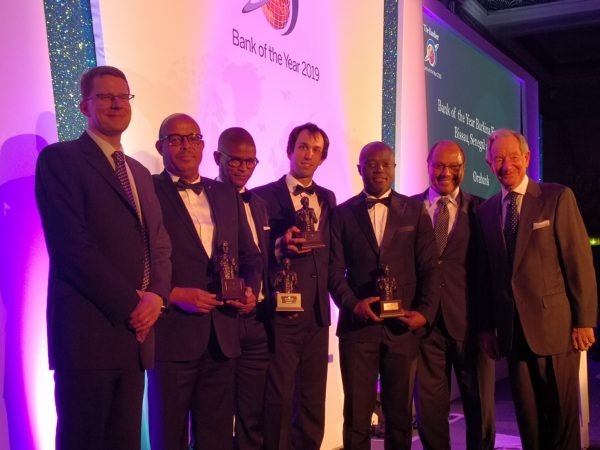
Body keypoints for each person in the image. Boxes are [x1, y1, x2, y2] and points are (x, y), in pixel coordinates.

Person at [35, 65, 172, 450]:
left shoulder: (140, 173)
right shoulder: (60, 160)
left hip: (135, 339)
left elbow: (159, 244)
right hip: (88, 337)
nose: (116, 103)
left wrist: (157, 297)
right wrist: (134, 304)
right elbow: (71, 247)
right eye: (106, 96)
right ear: (84, 106)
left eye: (123, 96)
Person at [477, 128, 598, 450]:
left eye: (513, 157)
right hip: (513, 335)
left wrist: (585, 321)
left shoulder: (556, 197)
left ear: (527, 158)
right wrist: (488, 328)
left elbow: (578, 262)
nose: (506, 165)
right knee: (529, 425)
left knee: (561, 424)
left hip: (556, 331)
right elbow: (487, 276)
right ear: (488, 163)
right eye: (498, 159)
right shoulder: (486, 211)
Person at [148, 114, 262, 450]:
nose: (185, 145)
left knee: (216, 437)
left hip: (222, 336)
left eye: (192, 138)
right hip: (172, 335)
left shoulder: (226, 193)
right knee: (169, 436)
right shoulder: (148, 190)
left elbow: (251, 256)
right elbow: (136, 258)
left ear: (202, 145)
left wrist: (250, 290)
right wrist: (172, 294)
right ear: (160, 147)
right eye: (175, 139)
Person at [328, 141, 440, 450]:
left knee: (400, 418)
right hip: (358, 331)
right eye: (371, 163)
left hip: (402, 328)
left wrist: (425, 312)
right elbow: (333, 271)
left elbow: (429, 268)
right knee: (356, 417)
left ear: (394, 168)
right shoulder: (341, 214)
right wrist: (352, 305)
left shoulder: (415, 211)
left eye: (385, 164)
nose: (379, 169)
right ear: (359, 169)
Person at [252, 122, 336, 450]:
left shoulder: (328, 198)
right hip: (282, 311)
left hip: (317, 312)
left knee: (313, 398)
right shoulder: (262, 196)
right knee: (279, 397)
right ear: (290, 150)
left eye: (316, 150)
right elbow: (254, 252)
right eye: (303, 147)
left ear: (322, 158)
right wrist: (279, 246)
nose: (308, 155)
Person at [412, 140, 495, 450]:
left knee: (479, 408)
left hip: (472, 325)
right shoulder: (408, 209)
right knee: (430, 412)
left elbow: (490, 270)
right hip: (425, 327)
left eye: (453, 166)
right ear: (428, 166)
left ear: (464, 168)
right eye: (439, 165)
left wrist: (490, 323)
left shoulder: (483, 210)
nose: (445, 172)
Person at [213, 126, 271, 450]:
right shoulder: (206, 199)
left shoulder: (259, 203)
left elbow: (258, 257)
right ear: (217, 158)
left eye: (250, 162)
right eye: (235, 160)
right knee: (216, 414)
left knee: (253, 414)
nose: (243, 168)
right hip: (222, 319)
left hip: (257, 321)